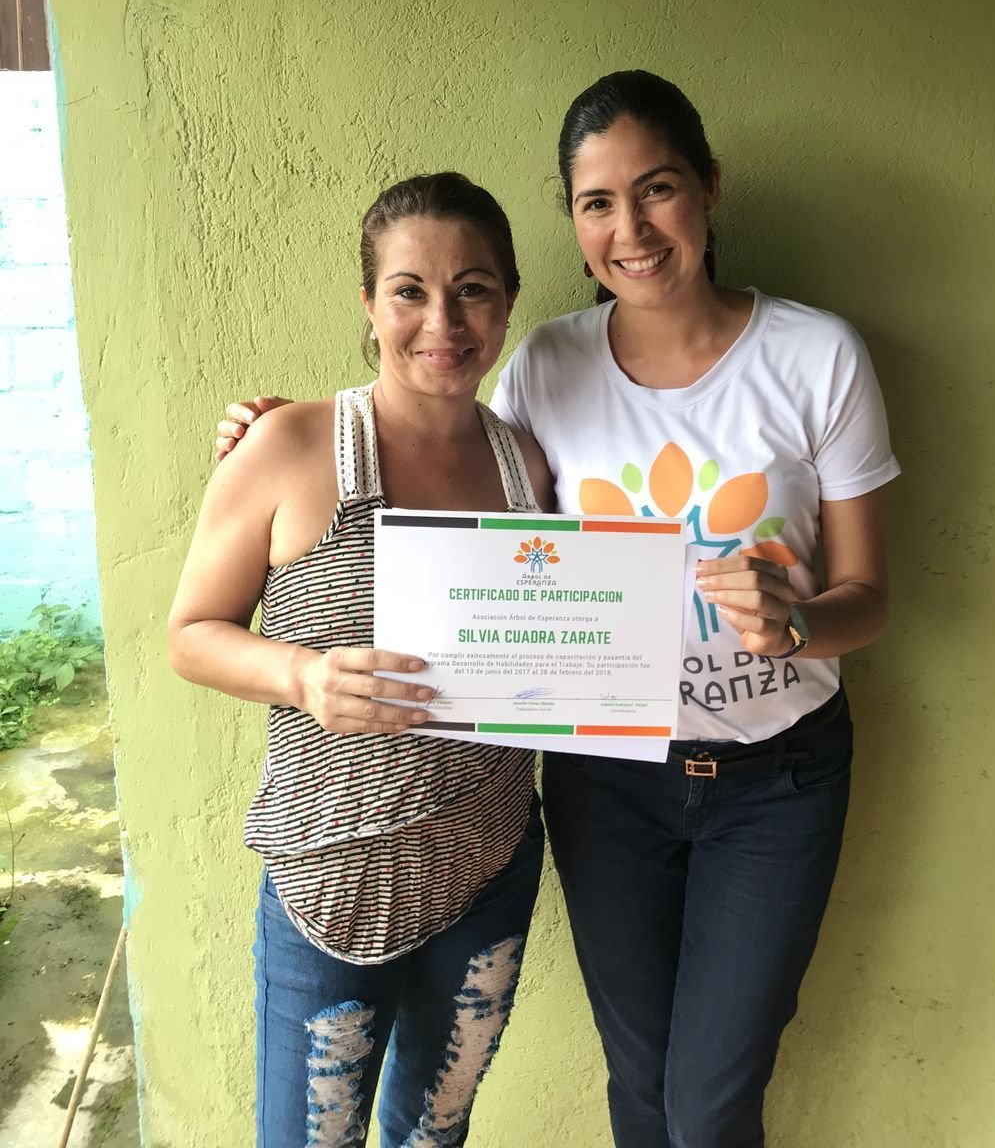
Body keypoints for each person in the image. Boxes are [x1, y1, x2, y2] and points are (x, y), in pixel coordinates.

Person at [217, 71, 899, 1148]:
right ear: (574, 223)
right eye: (597, 203)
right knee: (640, 1083)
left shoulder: (818, 356)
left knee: (711, 1103)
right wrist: (270, 435)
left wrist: (800, 621)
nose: (631, 229)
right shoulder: (545, 366)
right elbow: (444, 471)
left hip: (778, 778)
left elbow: (870, 596)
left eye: (657, 188)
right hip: (608, 784)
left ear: (710, 188)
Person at [170, 173, 554, 1148]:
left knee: (435, 1136)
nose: (443, 321)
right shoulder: (290, 445)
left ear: (508, 301)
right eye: (409, 291)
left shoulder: (527, 464)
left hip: (490, 863)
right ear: (370, 304)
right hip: (329, 884)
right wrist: (302, 678)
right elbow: (191, 633)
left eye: (473, 290)